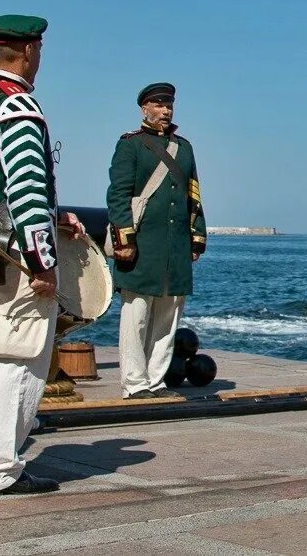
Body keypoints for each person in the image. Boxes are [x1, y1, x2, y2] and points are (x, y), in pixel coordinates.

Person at [0, 15, 83, 495]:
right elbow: (25, 192)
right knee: (18, 358)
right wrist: (42, 261)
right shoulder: (16, 107)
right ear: (28, 52)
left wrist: (55, 215)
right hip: (14, 256)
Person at [106, 82, 205, 399]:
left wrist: (196, 236)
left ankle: (156, 379)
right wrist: (124, 238)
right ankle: (134, 383)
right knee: (136, 315)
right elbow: (118, 195)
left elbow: (194, 195)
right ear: (144, 109)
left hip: (175, 244)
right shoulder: (131, 145)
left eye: (169, 106)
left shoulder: (184, 147)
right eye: (159, 106)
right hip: (143, 242)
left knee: (168, 315)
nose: (166, 111)